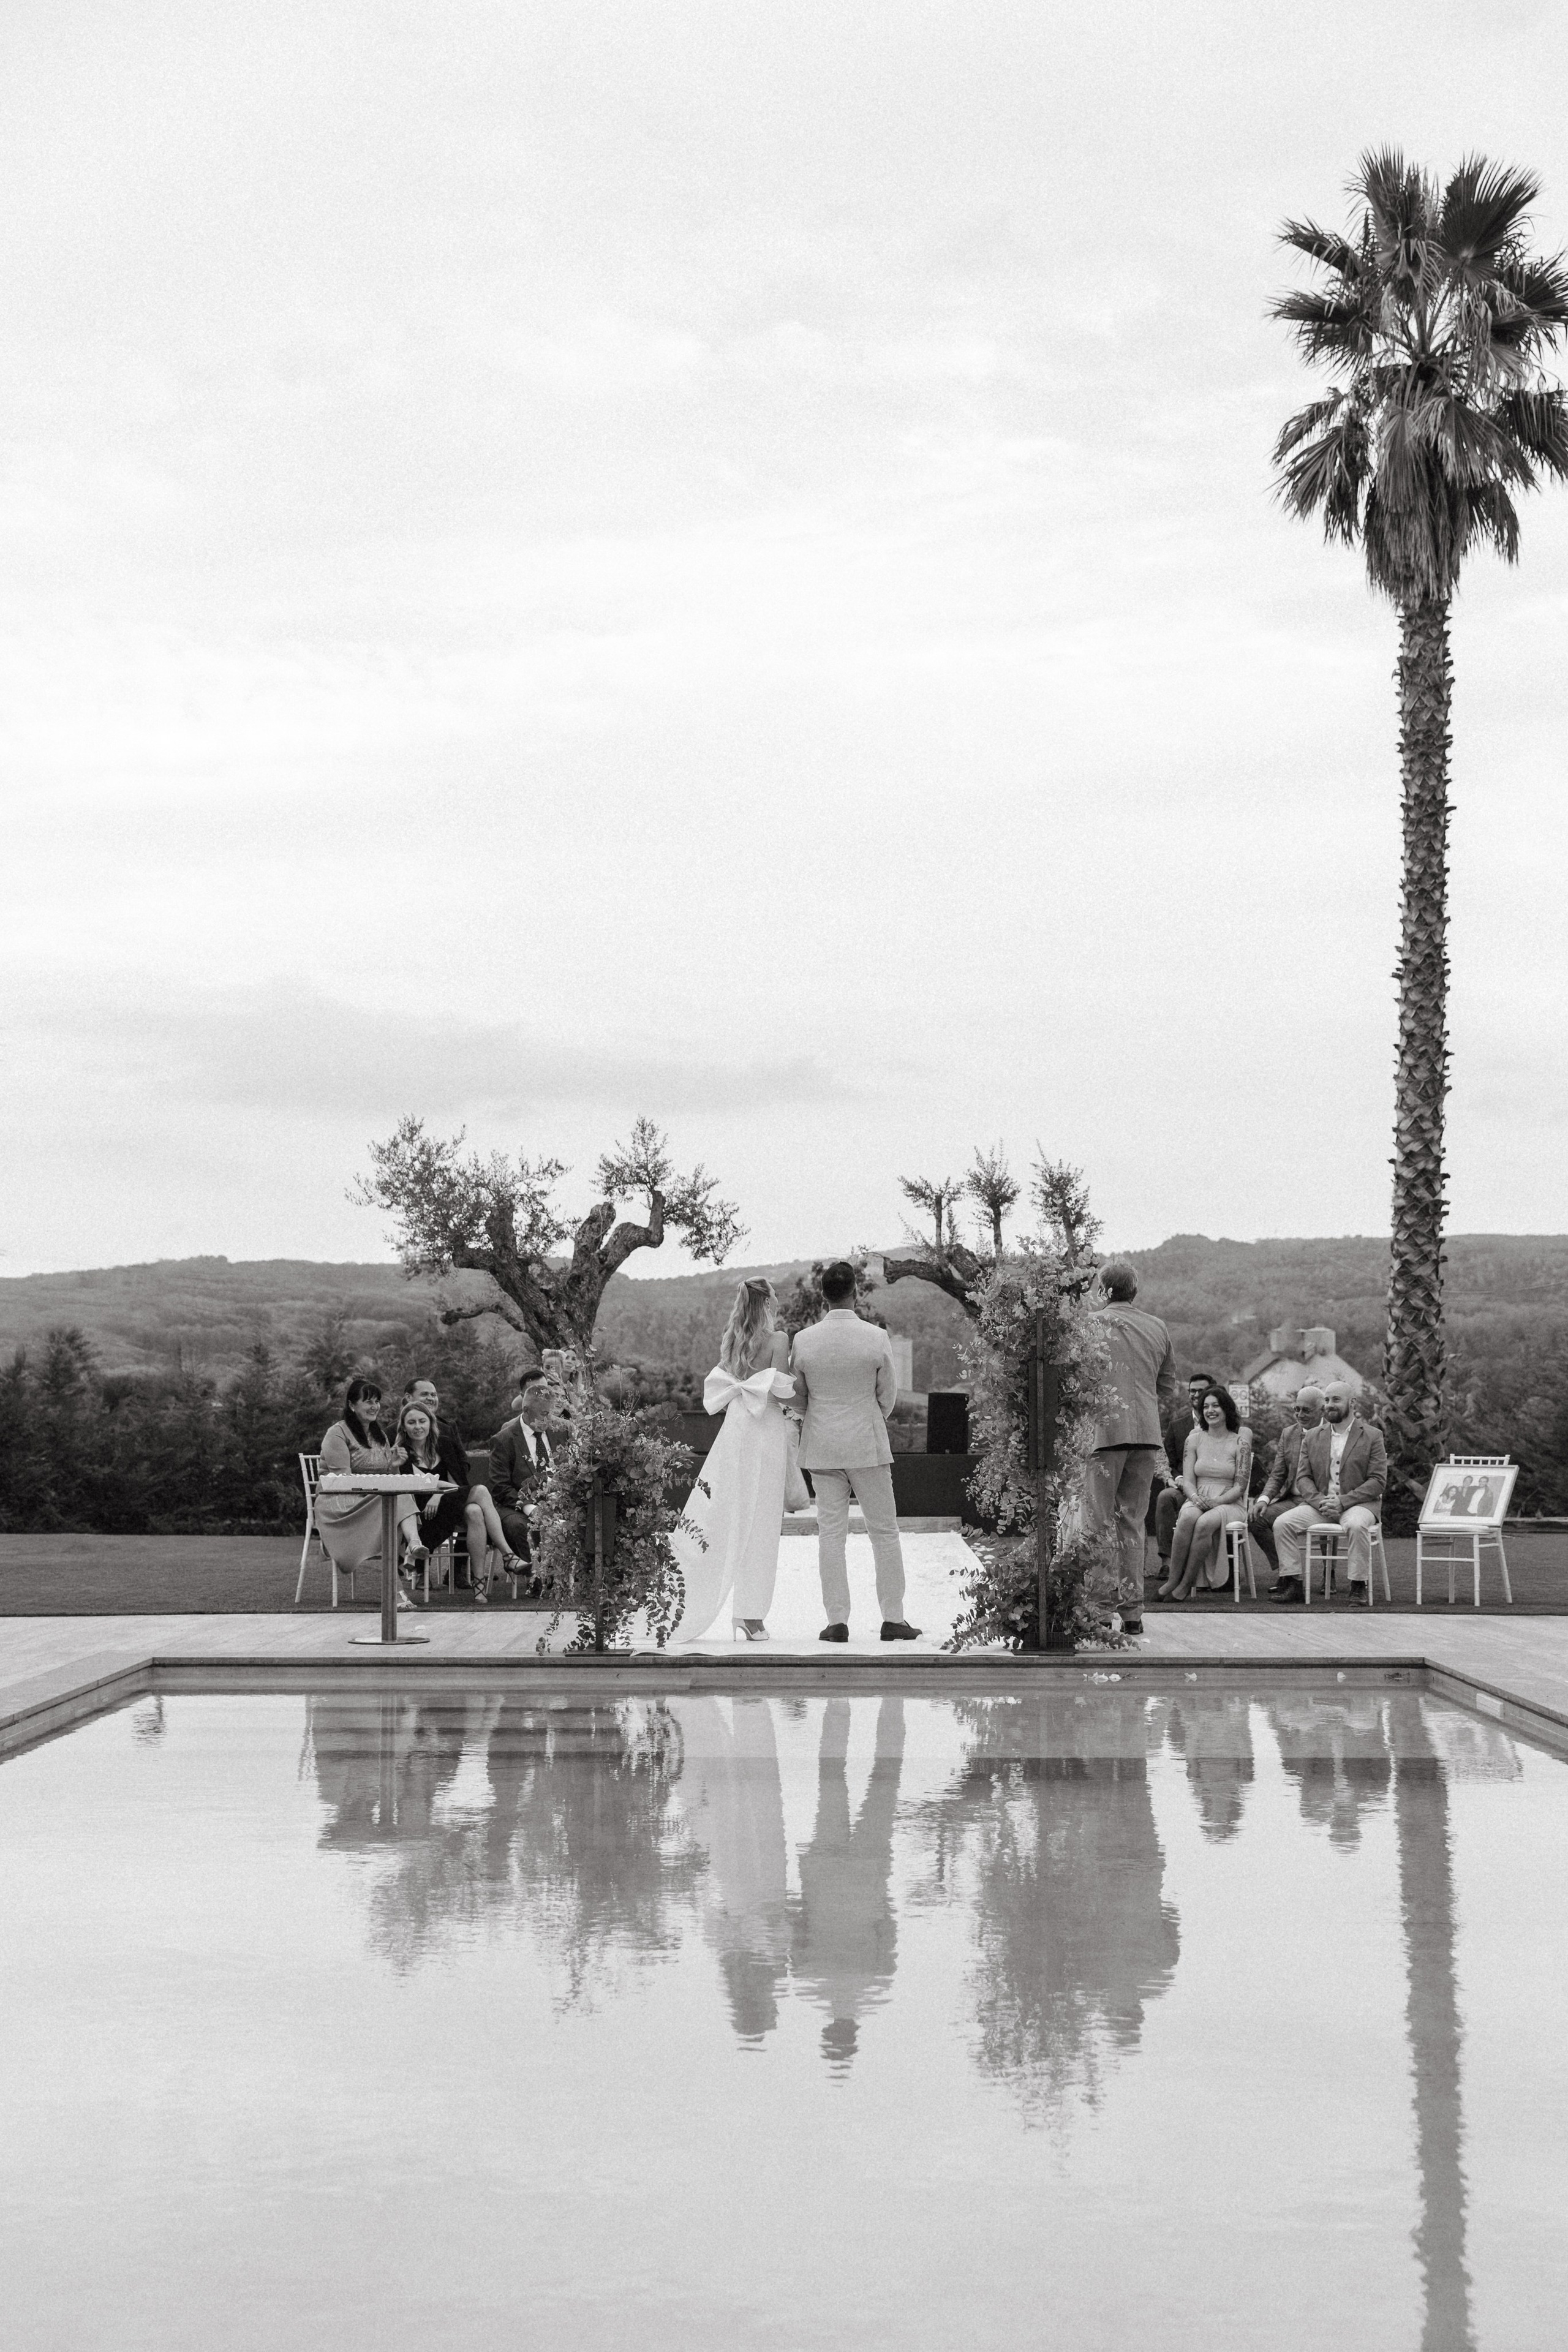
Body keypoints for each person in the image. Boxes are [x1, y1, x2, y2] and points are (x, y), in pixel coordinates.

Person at [791, 1261, 920, 1643]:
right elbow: (888, 1397)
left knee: (831, 1535)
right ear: (855, 1291)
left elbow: (798, 1398)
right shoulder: (876, 1337)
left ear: (823, 1294)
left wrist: (819, 1418)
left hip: (822, 1447)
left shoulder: (804, 1340)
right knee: (885, 1532)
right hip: (867, 1444)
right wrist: (867, 1418)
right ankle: (893, 1619)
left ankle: (837, 1623)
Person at [671, 1276, 797, 1642]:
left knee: (727, 1519)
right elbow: (783, 1393)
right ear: (768, 1304)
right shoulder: (779, 1340)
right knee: (760, 1524)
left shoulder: (732, 1341)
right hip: (764, 1430)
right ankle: (750, 1615)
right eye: (774, 1297)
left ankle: (701, 1600)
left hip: (735, 1430)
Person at [1084, 1259, 1177, 1634]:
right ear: (1134, 1291)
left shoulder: (1089, 1326)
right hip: (1146, 1435)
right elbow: (1168, 1386)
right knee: (1133, 1524)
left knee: (1098, 1523)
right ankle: (1133, 1614)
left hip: (1105, 1435)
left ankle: (1100, 1610)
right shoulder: (1157, 1327)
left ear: (1104, 1290)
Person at [396, 1398, 524, 1606]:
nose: (418, 1427)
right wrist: (436, 1491)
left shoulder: (444, 1443)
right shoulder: (402, 1452)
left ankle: (479, 1589)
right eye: (412, 1423)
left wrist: (438, 1495)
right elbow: (417, 1485)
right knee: (481, 1491)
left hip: (446, 1502)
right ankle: (508, 1554)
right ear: (404, 1426)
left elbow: (457, 1481)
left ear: (431, 1422)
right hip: (422, 1514)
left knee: (474, 1510)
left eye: (422, 1421)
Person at [1271, 1381, 1387, 1604]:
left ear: (1352, 1403)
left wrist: (1343, 1502)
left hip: (1359, 1505)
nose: (1330, 1405)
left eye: (1336, 1400)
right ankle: (1293, 1582)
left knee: (1355, 1525)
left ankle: (1358, 1586)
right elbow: (1303, 1478)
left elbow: (1378, 1481)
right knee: (1282, 1523)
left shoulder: (1373, 1436)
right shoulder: (1314, 1436)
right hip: (1321, 1505)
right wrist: (1320, 1501)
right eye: (1326, 1400)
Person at [315, 1376, 425, 1610]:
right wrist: (381, 1488)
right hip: (341, 1504)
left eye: (377, 1401)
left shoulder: (379, 1435)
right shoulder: (337, 1433)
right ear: (352, 1405)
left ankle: (410, 1556)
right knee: (394, 1501)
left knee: (397, 1499)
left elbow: (390, 1477)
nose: (374, 1406)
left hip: (373, 1500)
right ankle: (411, 1550)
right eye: (368, 1401)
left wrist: (394, 1464)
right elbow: (342, 1481)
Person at [1159, 1385, 1253, 1599]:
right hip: (1198, 1495)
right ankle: (1172, 1580)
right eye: (1206, 1407)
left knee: (1204, 1523)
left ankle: (1185, 1584)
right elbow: (1188, 1480)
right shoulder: (1194, 1439)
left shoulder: (1241, 1443)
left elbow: (1240, 1487)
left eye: (1216, 1406)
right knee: (1188, 1517)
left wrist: (1217, 1502)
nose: (1210, 1411)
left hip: (1229, 1502)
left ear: (1227, 1409)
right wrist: (1194, 1498)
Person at [1249, 1384, 1325, 1581]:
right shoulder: (1289, 1434)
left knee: (1327, 1527)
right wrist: (1264, 1499)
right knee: (1257, 1520)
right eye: (1297, 1409)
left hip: (1319, 1501)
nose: (1300, 1415)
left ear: (1322, 1410)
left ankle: (1329, 1574)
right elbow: (1278, 1474)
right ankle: (1289, 1575)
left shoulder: (1331, 1434)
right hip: (1292, 1500)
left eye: (1306, 1410)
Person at [487, 1376, 559, 1582]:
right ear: (526, 1411)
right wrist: (530, 1507)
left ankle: (574, 1578)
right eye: (543, 1415)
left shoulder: (561, 1432)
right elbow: (500, 1486)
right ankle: (536, 1579)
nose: (548, 1420)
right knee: (519, 1526)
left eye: (551, 1414)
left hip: (557, 1500)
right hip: (516, 1506)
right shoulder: (505, 1439)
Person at [1152, 1371, 1219, 1580]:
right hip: (1183, 1488)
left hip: (1216, 1489)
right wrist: (1178, 1479)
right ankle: (1168, 1563)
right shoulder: (1177, 1426)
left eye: (1201, 1391)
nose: (1196, 1395)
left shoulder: (1225, 1426)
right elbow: (1168, 1462)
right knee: (1164, 1497)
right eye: (1192, 1391)